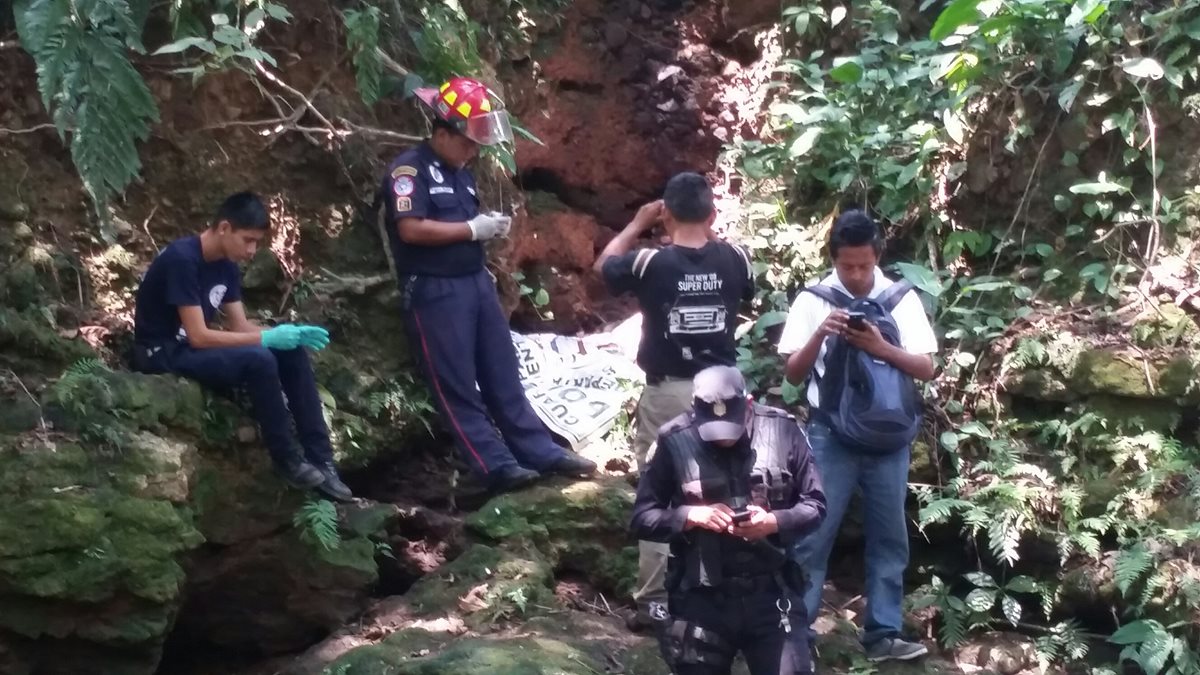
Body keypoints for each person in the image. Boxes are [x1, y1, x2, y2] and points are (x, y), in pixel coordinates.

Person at [379, 76, 596, 494]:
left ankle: (540, 451)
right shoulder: (409, 171)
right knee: (456, 382)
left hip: (474, 282)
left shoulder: (461, 173)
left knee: (502, 370)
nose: (473, 151)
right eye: (466, 142)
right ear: (442, 134)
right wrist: (469, 229)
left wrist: (486, 230)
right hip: (435, 289)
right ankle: (493, 463)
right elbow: (410, 229)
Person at [593, 172, 753, 631]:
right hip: (724, 392)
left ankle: (656, 601)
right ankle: (724, 593)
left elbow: (605, 266)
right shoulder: (736, 259)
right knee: (727, 486)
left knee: (660, 492)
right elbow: (739, 288)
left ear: (664, 214)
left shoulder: (648, 263)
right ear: (712, 214)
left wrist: (635, 226)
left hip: (669, 390)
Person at [776, 209, 938, 662]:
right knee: (812, 533)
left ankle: (883, 633)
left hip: (890, 440)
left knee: (890, 538)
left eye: (864, 265)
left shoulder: (900, 298)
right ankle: (797, 633)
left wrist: (880, 348)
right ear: (835, 259)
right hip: (830, 436)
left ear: (877, 257)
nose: (856, 274)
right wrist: (819, 338)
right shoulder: (814, 299)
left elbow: (926, 367)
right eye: (848, 265)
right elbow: (792, 375)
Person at [131, 192, 353, 502]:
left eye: (256, 243)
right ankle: (287, 458)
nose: (251, 251)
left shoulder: (227, 265)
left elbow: (241, 327)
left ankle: (322, 460)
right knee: (259, 359)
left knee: (292, 353)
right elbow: (198, 336)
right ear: (224, 228)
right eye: (247, 240)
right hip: (162, 352)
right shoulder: (183, 259)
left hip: (192, 348)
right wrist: (265, 339)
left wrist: (287, 334)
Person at [631, 365, 825, 675]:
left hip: (771, 595)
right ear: (695, 408)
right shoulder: (674, 440)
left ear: (748, 405)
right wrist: (689, 516)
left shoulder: (783, 430)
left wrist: (773, 522)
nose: (723, 439)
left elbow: (815, 506)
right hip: (701, 598)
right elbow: (642, 518)